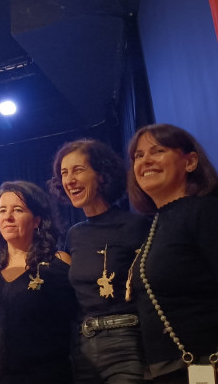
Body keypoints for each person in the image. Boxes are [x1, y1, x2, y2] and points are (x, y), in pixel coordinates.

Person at [49, 139, 149, 383]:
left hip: (127, 345)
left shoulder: (136, 226)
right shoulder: (74, 235)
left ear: (102, 176)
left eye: (78, 170)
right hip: (82, 350)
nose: (69, 180)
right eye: (64, 173)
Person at [0, 181, 77, 384]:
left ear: (37, 220)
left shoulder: (57, 264)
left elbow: (76, 327)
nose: (8, 217)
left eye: (17, 210)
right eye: (2, 210)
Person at [127, 123, 218, 383]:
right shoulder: (156, 224)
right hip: (169, 371)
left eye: (158, 151)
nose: (146, 161)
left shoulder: (206, 212)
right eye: (139, 156)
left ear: (190, 162)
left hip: (206, 364)